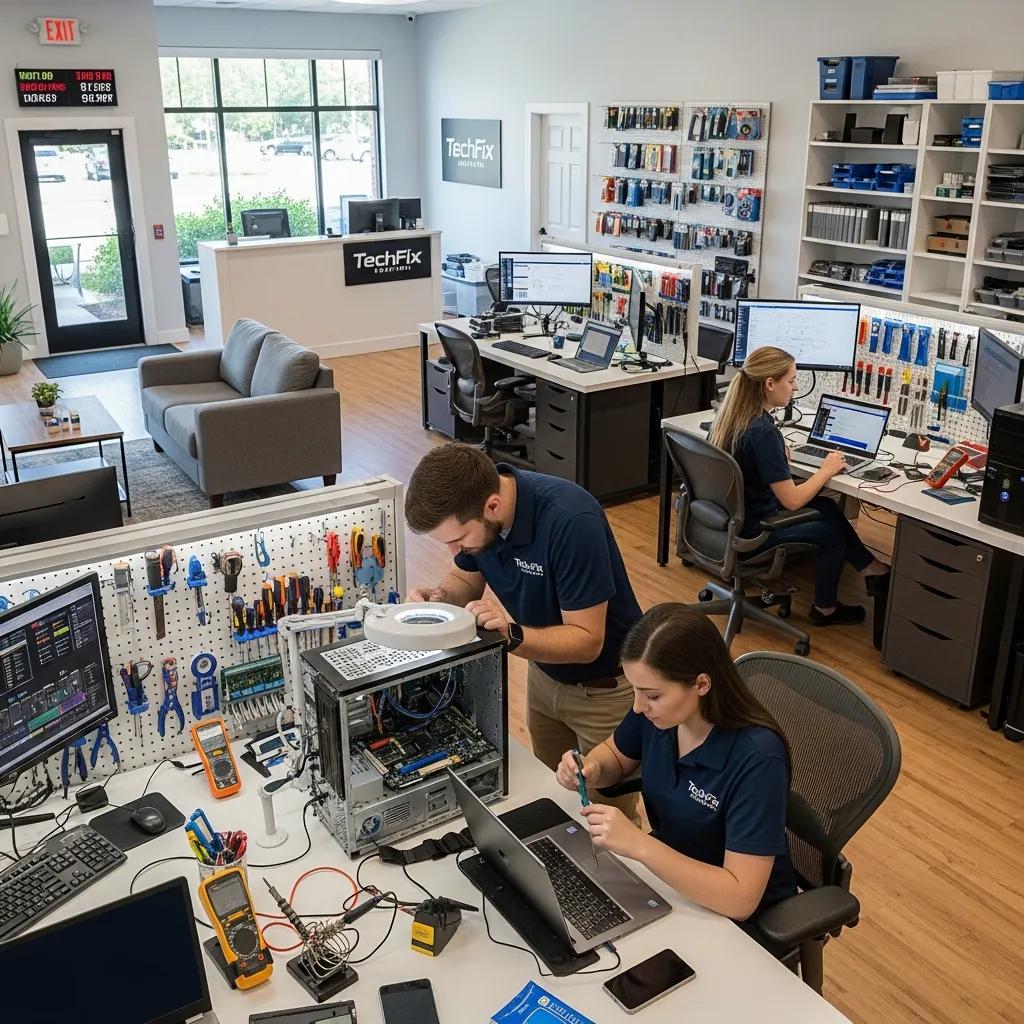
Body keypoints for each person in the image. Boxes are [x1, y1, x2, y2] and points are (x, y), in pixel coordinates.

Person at [404, 442, 643, 820]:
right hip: (544, 678)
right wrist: (438, 600)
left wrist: (512, 635)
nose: (454, 551)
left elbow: (587, 641)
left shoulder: (570, 520)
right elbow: (463, 579)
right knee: (555, 801)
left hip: (604, 692)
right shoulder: (479, 512)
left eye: (458, 539)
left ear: (493, 506)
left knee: (609, 819)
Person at [555, 604, 797, 922]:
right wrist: (591, 768)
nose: (639, 707)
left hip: (736, 918)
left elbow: (740, 899)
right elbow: (614, 754)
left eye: (652, 695)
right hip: (669, 880)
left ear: (701, 685)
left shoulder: (758, 760)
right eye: (636, 692)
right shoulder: (660, 717)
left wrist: (639, 845)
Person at [708, 346, 889, 626]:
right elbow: (792, 501)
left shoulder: (730, 416)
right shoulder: (764, 432)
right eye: (791, 381)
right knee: (832, 534)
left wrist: (778, 454)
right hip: (756, 532)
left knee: (827, 506)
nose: (795, 387)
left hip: (729, 520)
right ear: (770, 384)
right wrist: (825, 470)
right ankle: (825, 609)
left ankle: (870, 567)